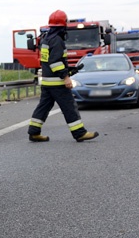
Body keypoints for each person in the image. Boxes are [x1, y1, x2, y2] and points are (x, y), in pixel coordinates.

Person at [27, 10, 98, 142]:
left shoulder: (46, 39)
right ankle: (79, 133)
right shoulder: (57, 40)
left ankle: (34, 132)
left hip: (47, 82)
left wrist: (68, 70)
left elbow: (49, 62)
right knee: (69, 107)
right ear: (63, 25)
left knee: (43, 107)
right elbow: (55, 62)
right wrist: (65, 77)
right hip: (57, 84)